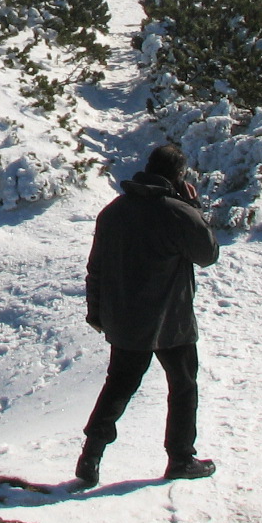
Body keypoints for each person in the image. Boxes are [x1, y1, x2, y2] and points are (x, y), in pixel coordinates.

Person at [76, 142, 219, 488]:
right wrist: (193, 207)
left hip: (125, 319)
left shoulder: (113, 212)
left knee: (119, 386)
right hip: (171, 320)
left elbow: (96, 267)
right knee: (183, 386)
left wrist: (95, 311)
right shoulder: (177, 212)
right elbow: (207, 254)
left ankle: (90, 456)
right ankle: (180, 459)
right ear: (179, 175)